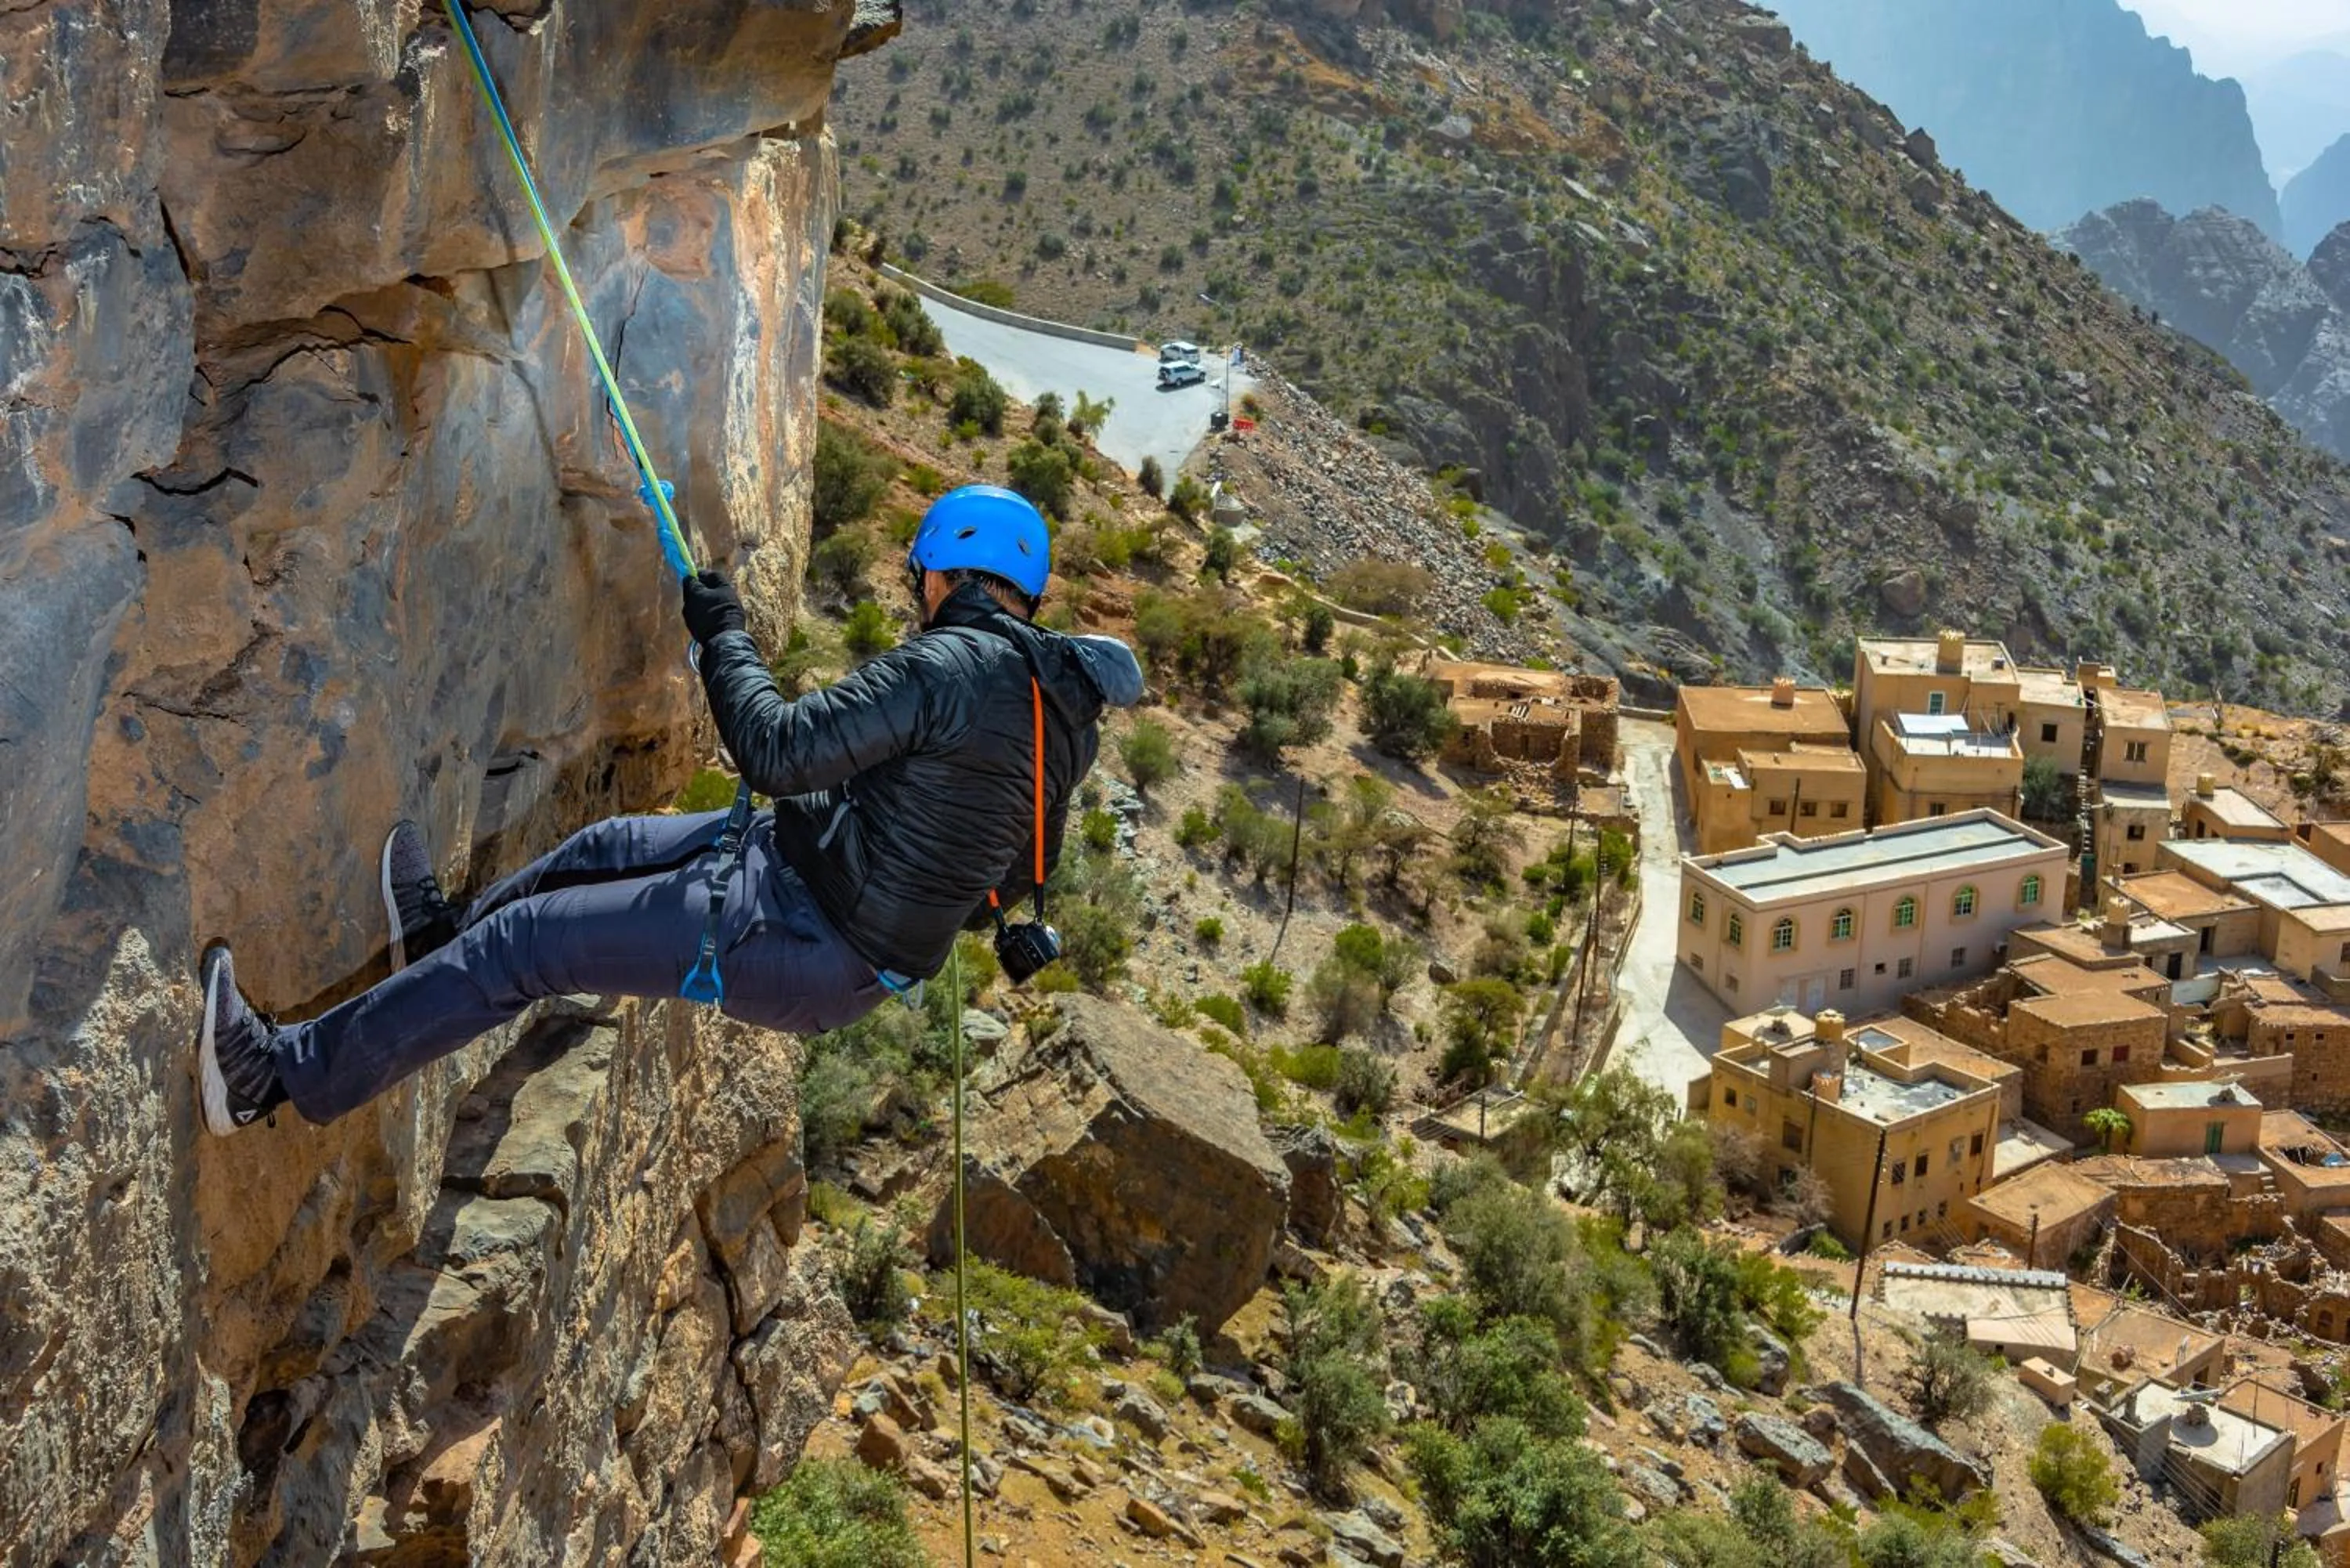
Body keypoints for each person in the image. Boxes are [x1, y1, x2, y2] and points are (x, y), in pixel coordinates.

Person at [193, 485, 1143, 1134]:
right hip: (816, 891)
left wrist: (723, 635)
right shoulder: (1054, 708)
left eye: (918, 578)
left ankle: (275, 1078)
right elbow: (1015, 875)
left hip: (810, 935)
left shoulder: (950, 663)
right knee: (605, 846)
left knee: (526, 947)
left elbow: (773, 748)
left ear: (941, 571)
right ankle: (436, 945)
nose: (915, 594)